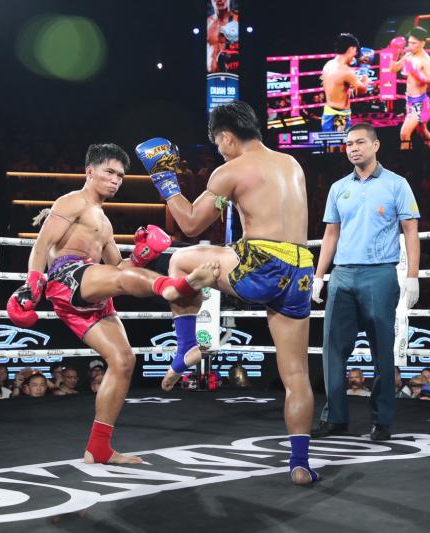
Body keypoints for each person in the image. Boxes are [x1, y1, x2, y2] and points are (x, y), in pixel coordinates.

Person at [134, 101, 319, 485]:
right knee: (296, 375)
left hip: (261, 264)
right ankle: (300, 464)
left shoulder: (231, 170)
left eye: (219, 145)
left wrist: (165, 180)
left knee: (180, 260)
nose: (219, 152)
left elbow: (189, 224)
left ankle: (187, 345)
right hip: (302, 268)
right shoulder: (292, 164)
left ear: (228, 137)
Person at [6, 143, 219, 465]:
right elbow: (42, 244)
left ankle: (98, 448)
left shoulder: (104, 223)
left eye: (120, 176)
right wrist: (31, 282)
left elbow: (119, 268)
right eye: (109, 172)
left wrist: (141, 256)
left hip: (92, 288)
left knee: (123, 361)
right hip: (68, 277)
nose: (115, 180)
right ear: (89, 171)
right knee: (126, 281)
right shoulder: (72, 201)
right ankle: (172, 288)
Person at [311, 122, 421, 443]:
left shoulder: (397, 184)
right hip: (342, 274)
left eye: (360, 142)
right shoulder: (338, 188)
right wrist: (319, 276)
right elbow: (331, 234)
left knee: (382, 351)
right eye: (349, 144)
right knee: (332, 349)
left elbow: (411, 231)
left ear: (375, 145)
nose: (353, 148)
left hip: (380, 273)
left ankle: (382, 421)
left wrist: (412, 276)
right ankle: (335, 418)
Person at [389, 27, 430, 150]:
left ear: (422, 43)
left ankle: (406, 160)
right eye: (409, 43)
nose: (410, 46)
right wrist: (394, 54)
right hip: (410, 100)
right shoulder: (409, 55)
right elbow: (393, 69)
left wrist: (419, 76)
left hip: (420, 102)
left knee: (404, 133)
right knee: (422, 131)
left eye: (414, 43)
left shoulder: (426, 60)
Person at [320, 33, 369, 132]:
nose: (355, 55)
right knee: (343, 142)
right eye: (355, 51)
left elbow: (336, 84)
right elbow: (362, 91)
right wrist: (365, 70)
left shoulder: (328, 64)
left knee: (328, 141)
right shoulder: (346, 71)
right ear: (351, 49)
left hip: (327, 113)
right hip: (340, 116)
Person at [207, 0, 238, 73]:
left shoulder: (237, 20)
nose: (219, 0)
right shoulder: (207, 23)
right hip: (210, 75)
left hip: (233, 74)